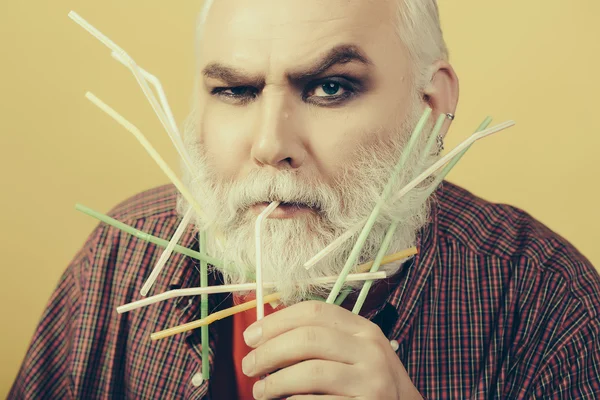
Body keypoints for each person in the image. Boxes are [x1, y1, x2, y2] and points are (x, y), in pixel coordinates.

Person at [10, 0, 600, 399]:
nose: (270, 146)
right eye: (235, 90)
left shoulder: (544, 297)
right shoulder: (121, 259)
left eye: (329, 87)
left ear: (431, 104)